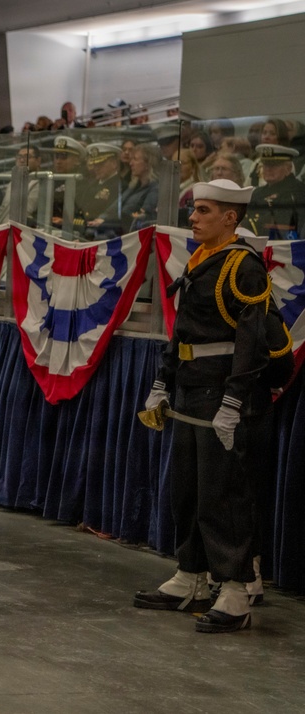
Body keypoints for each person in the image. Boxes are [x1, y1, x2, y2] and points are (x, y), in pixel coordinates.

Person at [135, 179, 289, 633]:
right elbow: (182, 329)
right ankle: (191, 576)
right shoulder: (202, 260)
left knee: (225, 493)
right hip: (191, 385)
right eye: (193, 210)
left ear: (230, 218)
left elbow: (252, 340)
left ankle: (237, 589)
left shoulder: (244, 266)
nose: (194, 218)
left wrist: (234, 400)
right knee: (188, 488)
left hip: (223, 388)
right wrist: (164, 381)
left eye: (204, 210)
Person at [242, 144, 305, 239]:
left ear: (288, 168)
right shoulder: (256, 193)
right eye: (266, 164)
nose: (268, 169)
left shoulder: (298, 192)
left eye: (274, 165)